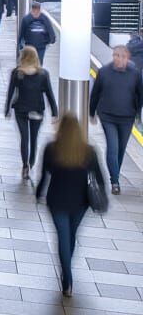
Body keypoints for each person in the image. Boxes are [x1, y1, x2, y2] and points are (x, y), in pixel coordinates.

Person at [36, 113, 106, 296]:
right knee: (71, 235)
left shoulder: (51, 149)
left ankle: (67, 279)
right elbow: (99, 179)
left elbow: (44, 175)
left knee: (63, 237)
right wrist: (102, 197)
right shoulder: (89, 151)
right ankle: (67, 272)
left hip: (56, 200)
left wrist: (38, 194)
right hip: (80, 203)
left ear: (61, 129)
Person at [89, 44, 143, 195]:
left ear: (128, 58)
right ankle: (115, 181)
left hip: (127, 117)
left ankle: (115, 174)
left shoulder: (135, 74)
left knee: (121, 149)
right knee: (113, 147)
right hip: (107, 116)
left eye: (123, 57)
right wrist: (92, 112)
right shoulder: (104, 72)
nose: (119, 59)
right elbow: (95, 93)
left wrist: (137, 114)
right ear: (113, 56)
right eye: (116, 56)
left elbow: (140, 95)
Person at [4, 46, 58, 180]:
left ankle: (25, 165)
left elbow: (11, 91)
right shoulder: (43, 74)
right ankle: (31, 162)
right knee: (34, 138)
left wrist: (7, 108)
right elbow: (49, 94)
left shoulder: (17, 73)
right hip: (37, 110)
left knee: (24, 137)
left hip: (20, 109)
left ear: (22, 57)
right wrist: (54, 112)